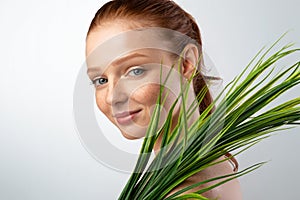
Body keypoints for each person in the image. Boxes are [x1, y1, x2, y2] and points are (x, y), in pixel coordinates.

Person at [85, 0, 242, 199]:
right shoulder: (203, 165)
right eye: (101, 80)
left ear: (186, 63)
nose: (112, 97)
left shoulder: (185, 191)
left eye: (135, 71)